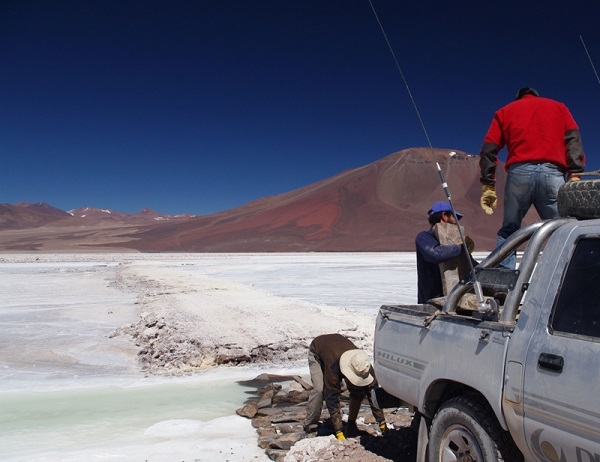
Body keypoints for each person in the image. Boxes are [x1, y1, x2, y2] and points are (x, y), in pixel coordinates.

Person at [479, 87, 586, 268]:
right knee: (562, 229)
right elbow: (573, 138)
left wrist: (488, 183)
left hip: (519, 174)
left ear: (518, 98)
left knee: (509, 231)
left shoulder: (505, 111)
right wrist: (575, 173)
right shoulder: (559, 108)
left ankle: (503, 283)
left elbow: (489, 148)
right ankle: (564, 275)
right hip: (553, 174)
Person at [303, 333, 388, 440]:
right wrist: (339, 432)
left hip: (336, 347)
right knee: (319, 389)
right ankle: (310, 428)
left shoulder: (365, 366)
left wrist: (382, 423)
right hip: (318, 351)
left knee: (358, 390)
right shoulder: (333, 368)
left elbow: (373, 394)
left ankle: (351, 425)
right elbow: (332, 397)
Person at [416, 201, 474, 304]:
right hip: (431, 303)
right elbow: (437, 254)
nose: (456, 222)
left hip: (456, 301)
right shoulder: (424, 238)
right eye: (454, 217)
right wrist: (462, 248)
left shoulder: (457, 243)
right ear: (444, 216)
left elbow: (472, 266)